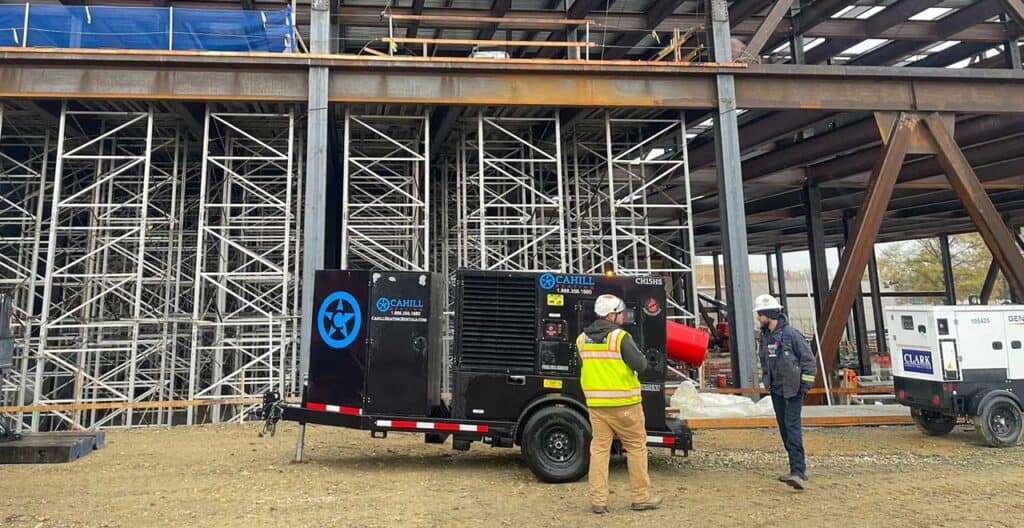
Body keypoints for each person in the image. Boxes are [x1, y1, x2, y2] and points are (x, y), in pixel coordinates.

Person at [577, 294, 662, 514]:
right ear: (611, 315)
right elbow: (641, 364)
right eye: (620, 312)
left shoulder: (581, 339)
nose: (624, 315)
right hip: (625, 404)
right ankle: (641, 498)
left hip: (597, 405)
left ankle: (598, 502)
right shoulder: (620, 338)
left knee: (599, 451)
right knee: (635, 448)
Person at [754, 294, 817, 490]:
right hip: (777, 391)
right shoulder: (766, 337)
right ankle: (796, 469)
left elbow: (809, 362)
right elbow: (765, 362)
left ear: (768, 314)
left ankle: (798, 472)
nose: (758, 317)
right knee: (784, 429)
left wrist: (804, 387)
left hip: (793, 391)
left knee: (792, 428)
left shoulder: (791, 335)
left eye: (760, 314)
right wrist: (767, 381)